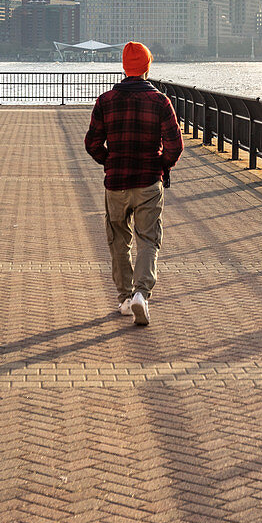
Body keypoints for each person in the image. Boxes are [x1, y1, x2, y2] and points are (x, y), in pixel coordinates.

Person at [84, 41, 183, 326]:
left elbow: (92, 142)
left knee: (118, 240)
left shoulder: (106, 100)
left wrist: (109, 160)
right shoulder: (160, 101)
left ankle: (125, 298)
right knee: (148, 239)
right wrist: (161, 164)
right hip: (148, 182)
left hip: (116, 183)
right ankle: (142, 293)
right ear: (147, 67)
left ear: (124, 68)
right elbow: (175, 145)